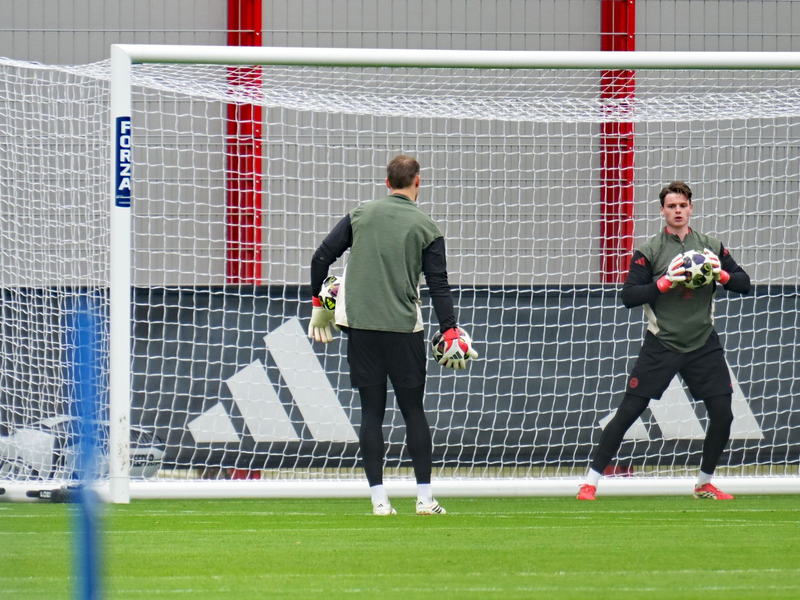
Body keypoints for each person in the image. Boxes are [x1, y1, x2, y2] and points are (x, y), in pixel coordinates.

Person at [308, 154, 478, 516]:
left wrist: (319, 303)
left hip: (362, 328)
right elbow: (438, 284)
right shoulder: (427, 227)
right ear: (418, 182)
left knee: (371, 413)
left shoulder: (360, 214)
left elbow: (320, 258)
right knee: (413, 411)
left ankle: (379, 501)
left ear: (387, 183)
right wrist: (449, 328)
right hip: (403, 330)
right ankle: (425, 499)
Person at [577, 181, 751, 501]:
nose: (678, 211)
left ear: (691, 208)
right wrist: (665, 282)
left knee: (723, 414)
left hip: (703, 343)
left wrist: (722, 275)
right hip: (662, 343)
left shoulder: (710, 247)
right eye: (671, 206)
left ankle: (704, 484)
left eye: (682, 205)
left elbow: (744, 283)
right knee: (628, 412)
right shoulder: (650, 250)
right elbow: (629, 296)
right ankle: (590, 483)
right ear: (662, 211)